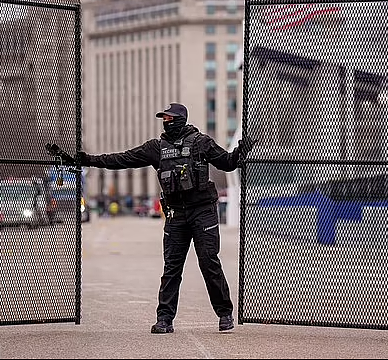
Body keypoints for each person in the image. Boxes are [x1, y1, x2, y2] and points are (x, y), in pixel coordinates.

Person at [47, 103, 254, 334]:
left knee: (209, 262)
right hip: (176, 215)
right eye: (163, 118)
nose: (166, 122)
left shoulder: (201, 142)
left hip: (202, 212)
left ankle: (224, 313)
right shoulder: (156, 148)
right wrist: (85, 160)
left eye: (170, 117)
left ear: (181, 119)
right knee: (172, 268)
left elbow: (227, 163)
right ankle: (164, 319)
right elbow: (121, 159)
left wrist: (240, 151)